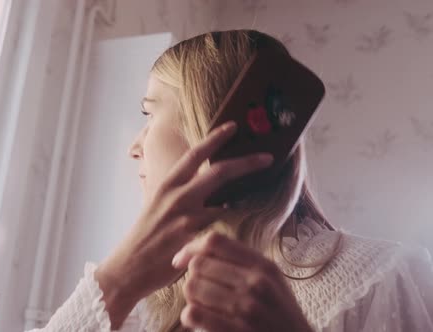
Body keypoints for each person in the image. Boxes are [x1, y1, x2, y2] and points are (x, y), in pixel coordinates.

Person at [27, 30, 433, 332]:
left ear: (210, 126)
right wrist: (114, 283)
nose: (134, 147)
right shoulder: (140, 303)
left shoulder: (386, 277)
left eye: (149, 115)